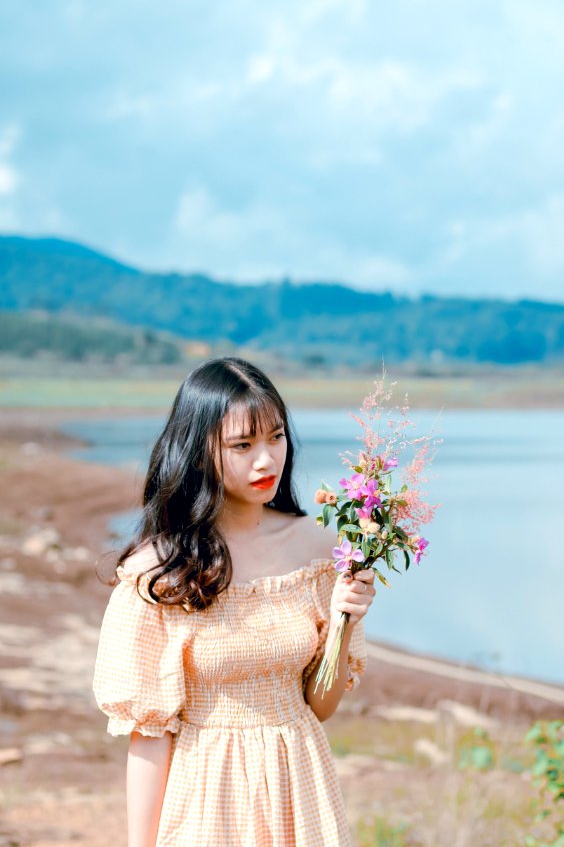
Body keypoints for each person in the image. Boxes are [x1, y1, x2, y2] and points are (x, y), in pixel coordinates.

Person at [93, 357, 375, 847]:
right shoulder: (159, 571)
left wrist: (344, 620)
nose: (265, 460)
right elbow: (149, 735)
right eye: (242, 445)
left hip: (301, 788)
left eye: (276, 437)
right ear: (199, 451)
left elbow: (320, 706)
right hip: (207, 796)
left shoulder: (319, 548)